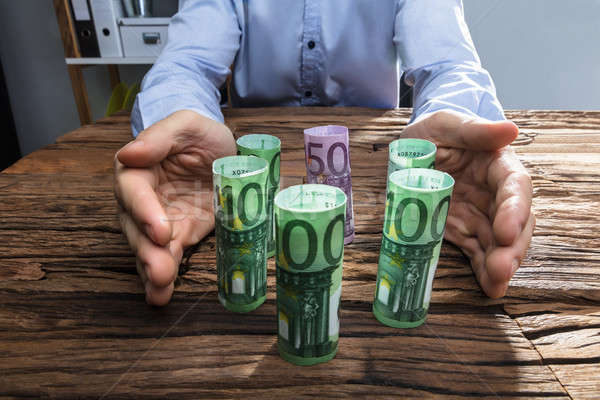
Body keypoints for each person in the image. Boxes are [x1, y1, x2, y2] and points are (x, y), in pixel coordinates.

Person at [114, 0, 534, 306]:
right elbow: (183, 65)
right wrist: (175, 118)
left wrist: (458, 119)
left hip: (374, 155)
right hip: (231, 158)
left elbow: (448, 66)